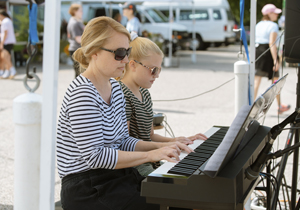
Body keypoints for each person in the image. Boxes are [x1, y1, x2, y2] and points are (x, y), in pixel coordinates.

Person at [56, 16, 193, 210]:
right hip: (86, 188)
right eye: (120, 53)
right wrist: (152, 154)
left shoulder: (115, 86)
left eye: (127, 51)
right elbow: (96, 157)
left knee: (180, 196)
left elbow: (123, 141)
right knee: (166, 204)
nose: (127, 60)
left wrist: (168, 147)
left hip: (115, 176)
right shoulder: (82, 92)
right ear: (94, 52)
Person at [118, 32, 207, 177]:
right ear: (133, 65)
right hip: (135, 165)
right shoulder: (122, 94)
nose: (157, 75)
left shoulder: (144, 93)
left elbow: (150, 135)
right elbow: (126, 143)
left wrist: (176, 140)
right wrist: (166, 146)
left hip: (152, 158)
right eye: (153, 70)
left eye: (159, 69)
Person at [254, 4, 290, 114]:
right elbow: (272, 43)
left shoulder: (258, 25)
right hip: (268, 52)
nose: (277, 15)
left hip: (258, 51)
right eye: (275, 13)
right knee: (275, 80)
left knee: (256, 80)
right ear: (269, 13)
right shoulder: (273, 26)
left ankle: (250, 106)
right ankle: (279, 106)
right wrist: (275, 59)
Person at [67, 3, 85, 78]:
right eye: (80, 11)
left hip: (76, 49)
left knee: (80, 73)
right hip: (76, 49)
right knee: (79, 73)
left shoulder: (77, 21)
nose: (82, 12)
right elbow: (78, 39)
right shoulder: (74, 23)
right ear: (75, 11)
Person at [0, 10, 16, 79]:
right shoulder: (8, 20)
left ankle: (12, 70)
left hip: (7, 42)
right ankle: (7, 72)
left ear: (2, 15)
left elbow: (5, 33)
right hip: (10, 41)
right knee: (7, 57)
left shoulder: (5, 21)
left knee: (4, 57)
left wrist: (2, 43)